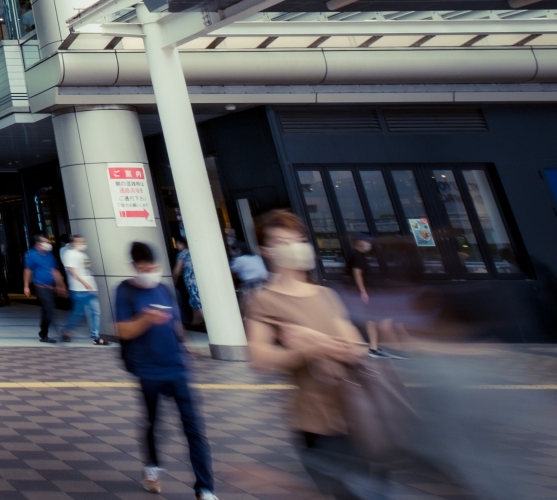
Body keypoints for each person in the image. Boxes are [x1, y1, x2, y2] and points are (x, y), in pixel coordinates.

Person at [245, 210, 378, 500]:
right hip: (314, 421)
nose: (293, 246)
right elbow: (260, 358)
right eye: (282, 241)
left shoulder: (324, 294)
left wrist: (313, 339)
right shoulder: (263, 299)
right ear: (267, 251)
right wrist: (309, 349)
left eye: (297, 239)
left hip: (357, 416)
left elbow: (357, 349)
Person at [115, 242, 217, 500]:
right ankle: (151, 466)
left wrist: (188, 352)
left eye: (153, 267)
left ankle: (205, 489)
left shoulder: (164, 290)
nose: (149, 271)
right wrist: (146, 319)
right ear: (135, 267)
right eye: (143, 267)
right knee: (153, 422)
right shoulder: (125, 292)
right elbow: (123, 331)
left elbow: (177, 327)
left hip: (177, 368)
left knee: (193, 428)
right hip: (147, 370)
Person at [61, 234, 104, 345]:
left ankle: (96, 336)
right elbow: (72, 270)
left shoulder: (83, 255)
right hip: (78, 289)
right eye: (79, 241)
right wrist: (84, 283)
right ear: (73, 243)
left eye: (82, 241)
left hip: (89, 288)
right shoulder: (69, 254)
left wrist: (90, 285)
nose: (82, 243)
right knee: (78, 314)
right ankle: (66, 330)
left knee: (95, 312)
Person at [24, 234, 65, 343]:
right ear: (38, 243)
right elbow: (28, 271)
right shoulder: (31, 254)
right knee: (49, 309)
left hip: (50, 287)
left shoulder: (50, 256)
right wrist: (26, 286)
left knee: (47, 310)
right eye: (45, 242)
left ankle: (44, 333)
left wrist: (61, 285)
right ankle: (44, 334)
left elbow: (55, 271)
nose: (48, 244)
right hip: (40, 286)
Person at [174, 238, 204, 330]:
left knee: (196, 298)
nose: (177, 246)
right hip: (199, 275)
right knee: (195, 298)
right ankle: (196, 321)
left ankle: (208, 322)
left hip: (190, 277)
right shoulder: (193, 252)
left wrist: (174, 279)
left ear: (182, 244)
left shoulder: (181, 254)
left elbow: (177, 269)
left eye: (178, 243)